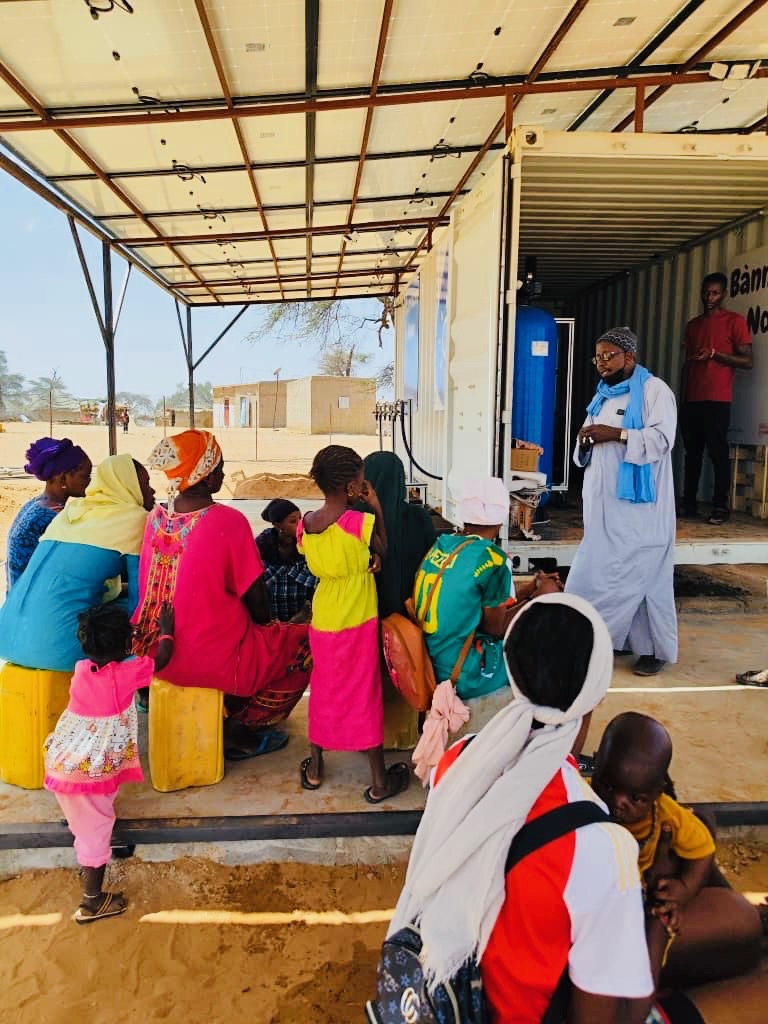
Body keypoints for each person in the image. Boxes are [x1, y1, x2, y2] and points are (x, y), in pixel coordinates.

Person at [387, 593, 654, 1023]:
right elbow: (598, 1011)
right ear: (597, 692)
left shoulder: (459, 760)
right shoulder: (601, 845)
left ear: (512, 672)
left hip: (442, 999)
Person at [132, 430, 310, 755]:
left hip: (156, 653)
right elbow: (257, 603)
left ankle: (229, 707)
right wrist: (274, 627)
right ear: (206, 473)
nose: (224, 474)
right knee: (304, 642)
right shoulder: (228, 521)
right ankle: (242, 730)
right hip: (205, 660)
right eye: (220, 467)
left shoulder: (155, 518)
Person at [592, 712, 762, 992]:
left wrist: (684, 889)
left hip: (646, 891)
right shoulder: (585, 798)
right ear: (596, 766)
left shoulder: (668, 816)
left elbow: (703, 849)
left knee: (701, 824)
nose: (617, 802)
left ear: (658, 792)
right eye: (607, 786)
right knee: (743, 924)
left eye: (635, 798)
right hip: (616, 918)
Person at [44, 601, 175, 923]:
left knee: (91, 811)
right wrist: (167, 631)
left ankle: (83, 825)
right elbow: (163, 660)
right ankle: (92, 901)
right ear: (128, 642)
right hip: (86, 772)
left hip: (65, 758)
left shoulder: (81, 670)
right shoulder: (127, 673)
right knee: (95, 834)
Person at [297, 444, 409, 802]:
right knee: (363, 691)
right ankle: (379, 780)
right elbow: (384, 550)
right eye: (361, 478)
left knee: (325, 687)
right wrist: (374, 504)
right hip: (357, 617)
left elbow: (320, 554)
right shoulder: (359, 522)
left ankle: (315, 767)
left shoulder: (306, 524)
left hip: (325, 615)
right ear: (351, 486)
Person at [565, 326, 678, 677]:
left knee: (645, 579)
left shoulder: (654, 391)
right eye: (597, 357)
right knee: (592, 575)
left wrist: (615, 433)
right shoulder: (602, 397)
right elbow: (585, 450)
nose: (601, 363)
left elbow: (662, 439)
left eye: (608, 355)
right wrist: (585, 443)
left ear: (630, 356)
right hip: (603, 511)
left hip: (640, 513)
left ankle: (654, 650)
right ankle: (604, 640)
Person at [413, 476, 561, 730]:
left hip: (432, 655)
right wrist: (539, 599)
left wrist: (527, 591)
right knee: (548, 650)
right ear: (502, 515)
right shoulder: (492, 559)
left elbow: (472, 607)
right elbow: (496, 628)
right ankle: (540, 733)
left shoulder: (446, 545)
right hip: (462, 670)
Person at [0, 454, 154, 672]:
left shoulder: (72, 512)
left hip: (5, 635)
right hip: (53, 648)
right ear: (129, 488)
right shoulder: (134, 518)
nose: (152, 491)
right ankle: (134, 687)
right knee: (146, 613)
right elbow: (142, 600)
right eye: (146, 484)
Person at [362, 451, 436, 749]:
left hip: (364, 615)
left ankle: (366, 738)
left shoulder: (355, 520)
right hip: (407, 618)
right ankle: (408, 732)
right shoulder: (417, 517)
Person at [680, 272, 752, 526]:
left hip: (718, 398)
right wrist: (683, 396)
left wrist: (715, 354)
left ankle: (720, 506)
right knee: (692, 453)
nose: (709, 297)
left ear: (724, 294)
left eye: (715, 293)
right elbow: (687, 364)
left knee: (718, 453)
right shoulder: (693, 325)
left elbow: (747, 361)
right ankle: (688, 504)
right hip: (692, 398)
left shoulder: (735, 322)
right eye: (706, 292)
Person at [5, 436, 92, 588]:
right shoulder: (52, 517)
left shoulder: (37, 504)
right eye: (84, 476)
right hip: (31, 600)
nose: (89, 482)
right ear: (63, 477)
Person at [255, 498, 317, 622]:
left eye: (300, 518)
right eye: (293, 521)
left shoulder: (309, 543)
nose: (300, 525)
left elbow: (316, 586)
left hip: (302, 615)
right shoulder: (262, 545)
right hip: (271, 618)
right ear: (278, 526)